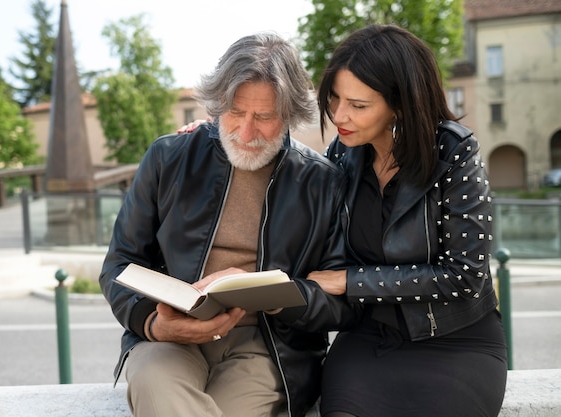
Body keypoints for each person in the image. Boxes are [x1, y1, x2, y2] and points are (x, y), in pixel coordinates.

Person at [99, 32, 357, 417]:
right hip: (170, 336)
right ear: (218, 105)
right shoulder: (168, 158)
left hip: (267, 344)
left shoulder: (323, 182)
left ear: (288, 115)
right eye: (235, 112)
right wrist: (152, 324)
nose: (246, 132)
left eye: (264, 117)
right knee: (156, 386)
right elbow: (119, 264)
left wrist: (272, 294)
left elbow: (340, 304)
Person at [307, 24, 508, 417]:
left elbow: (465, 276)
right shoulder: (342, 155)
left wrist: (351, 281)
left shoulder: (456, 154)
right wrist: (209, 139)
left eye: (358, 105)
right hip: (366, 341)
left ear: (399, 104)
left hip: (457, 344)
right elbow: (293, 187)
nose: (339, 115)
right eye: (334, 98)